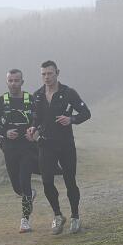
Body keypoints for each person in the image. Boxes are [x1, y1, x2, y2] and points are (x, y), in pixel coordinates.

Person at [26, 60, 91, 234]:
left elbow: (86, 113)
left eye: (50, 73)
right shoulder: (37, 95)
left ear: (57, 73)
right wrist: (33, 128)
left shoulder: (68, 93)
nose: (46, 77)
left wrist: (71, 119)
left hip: (65, 144)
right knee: (47, 181)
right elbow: (36, 119)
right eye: (43, 74)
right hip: (45, 144)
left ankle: (75, 216)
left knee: (70, 181)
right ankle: (57, 215)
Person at [0, 69, 39, 233]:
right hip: (9, 148)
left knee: (24, 180)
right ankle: (29, 194)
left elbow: (40, 119)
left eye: (17, 80)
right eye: (10, 80)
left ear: (22, 82)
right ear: (7, 82)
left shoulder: (31, 99)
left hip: (28, 147)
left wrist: (34, 130)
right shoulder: (0, 102)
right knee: (17, 187)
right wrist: (5, 132)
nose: (13, 84)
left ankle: (25, 220)